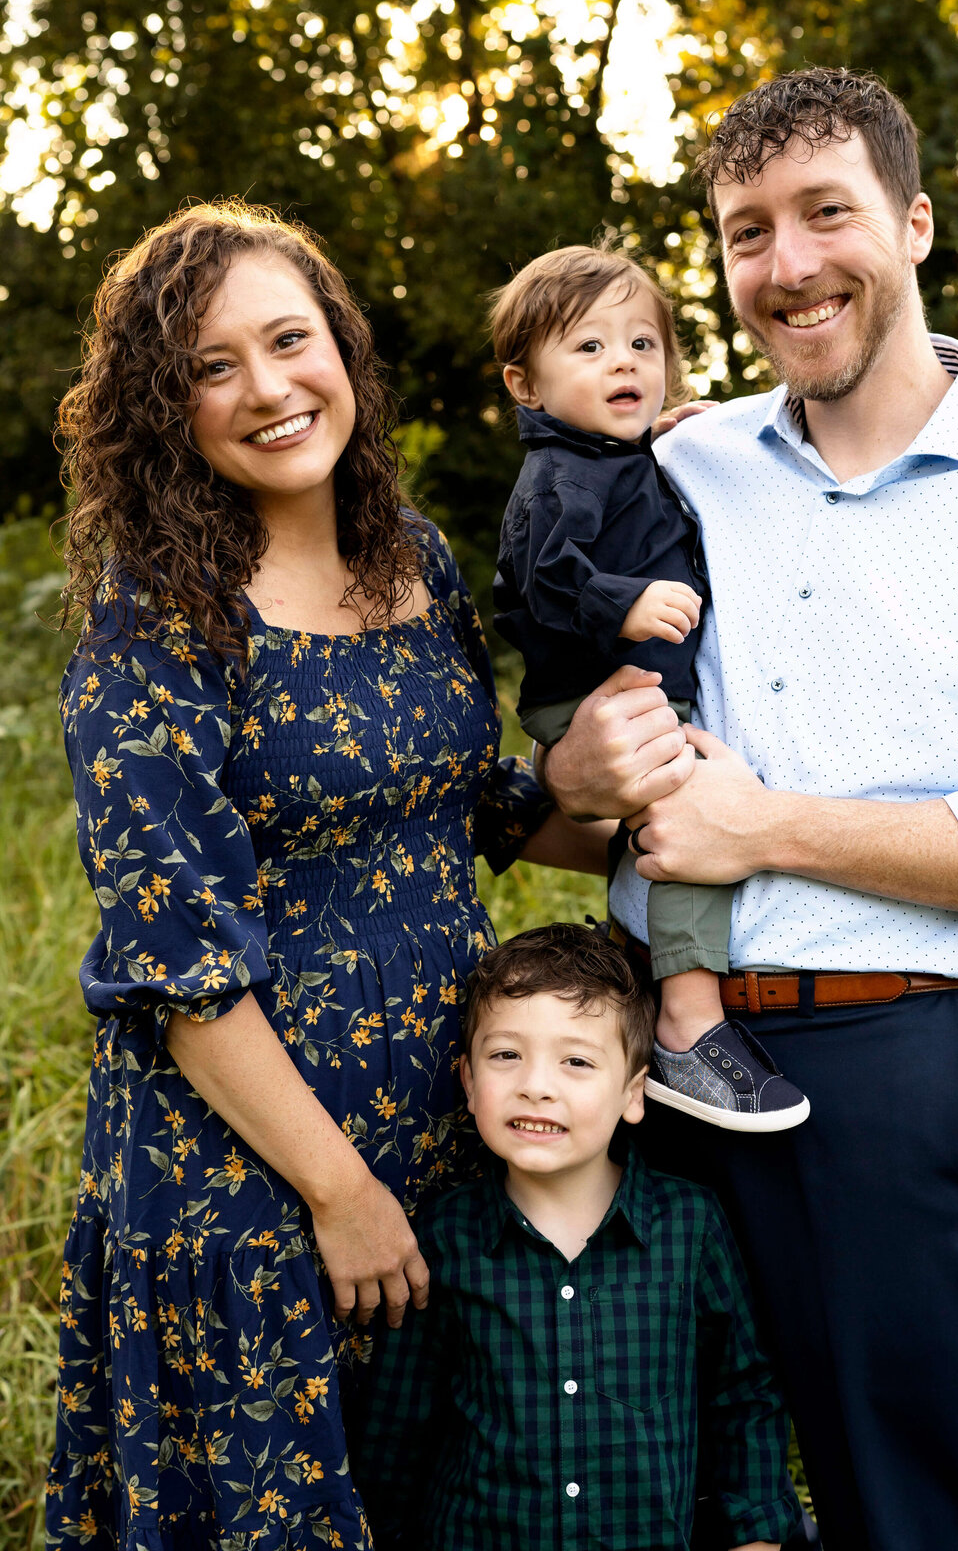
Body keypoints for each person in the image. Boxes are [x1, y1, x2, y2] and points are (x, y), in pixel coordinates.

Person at [540, 69, 958, 1551]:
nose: (789, 264)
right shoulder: (673, 463)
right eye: (746, 231)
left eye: (827, 213)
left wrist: (770, 829)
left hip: (886, 1067)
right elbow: (579, 806)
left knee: (918, 1504)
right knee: (654, 1499)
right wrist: (567, 790)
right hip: (638, 1063)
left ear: (916, 224)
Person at [47, 201, 608, 1550]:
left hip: (443, 1133)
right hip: (253, 1180)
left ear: (342, 346)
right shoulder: (155, 620)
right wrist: (338, 1194)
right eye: (210, 368)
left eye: (290, 340)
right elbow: (181, 967)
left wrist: (647, 807)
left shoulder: (411, 555)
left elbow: (473, 811)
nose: (269, 388)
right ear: (164, 411)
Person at [490, 243, 809, 1132]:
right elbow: (538, 579)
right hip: (597, 695)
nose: (624, 361)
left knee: (686, 805)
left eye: (641, 344)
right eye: (588, 349)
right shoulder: (559, 476)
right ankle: (689, 1017)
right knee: (693, 806)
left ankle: (650, 980)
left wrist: (662, 444)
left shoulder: (611, 457)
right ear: (526, 386)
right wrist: (625, 603)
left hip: (632, 689)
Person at [355, 924, 805, 1551]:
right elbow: (397, 1428)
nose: (537, 1084)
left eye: (576, 1062)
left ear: (633, 1093)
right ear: (467, 1080)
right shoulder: (443, 1236)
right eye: (506, 1055)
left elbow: (744, 1393)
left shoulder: (689, 1225)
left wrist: (755, 1534)